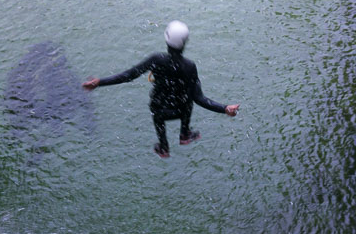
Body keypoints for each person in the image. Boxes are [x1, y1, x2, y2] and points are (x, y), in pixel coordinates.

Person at [82, 21, 240, 158]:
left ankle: (163, 146)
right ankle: (184, 134)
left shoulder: (156, 59)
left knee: (156, 107)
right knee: (189, 99)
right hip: (179, 110)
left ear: (166, 39)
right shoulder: (190, 66)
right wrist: (224, 108)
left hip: (159, 112)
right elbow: (199, 98)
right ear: (185, 42)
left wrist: (99, 82)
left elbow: (129, 75)